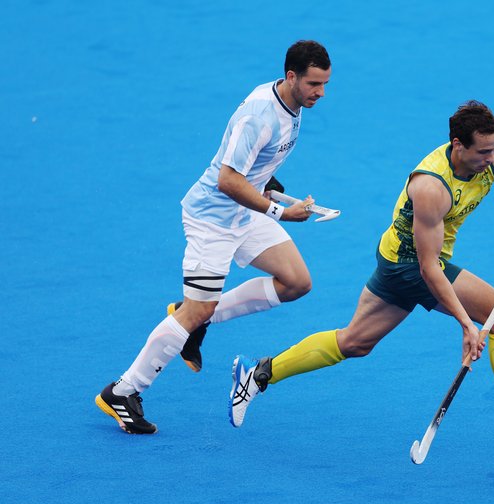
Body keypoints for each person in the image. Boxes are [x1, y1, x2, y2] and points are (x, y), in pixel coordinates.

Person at [228, 100, 494, 453]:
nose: (492, 157)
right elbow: (429, 269)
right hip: (410, 264)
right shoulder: (431, 187)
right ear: (458, 145)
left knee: (355, 342)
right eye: (484, 151)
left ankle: (259, 373)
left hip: (394, 257)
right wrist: (466, 324)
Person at [95, 40, 332, 434]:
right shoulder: (261, 114)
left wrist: (267, 184)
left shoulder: (293, 104)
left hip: (245, 213)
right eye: (314, 84)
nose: (320, 93)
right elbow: (226, 179)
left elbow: (250, 166)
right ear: (291, 76)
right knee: (195, 312)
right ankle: (123, 390)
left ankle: (195, 318)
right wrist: (280, 212)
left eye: (325, 84)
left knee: (296, 282)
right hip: (213, 221)